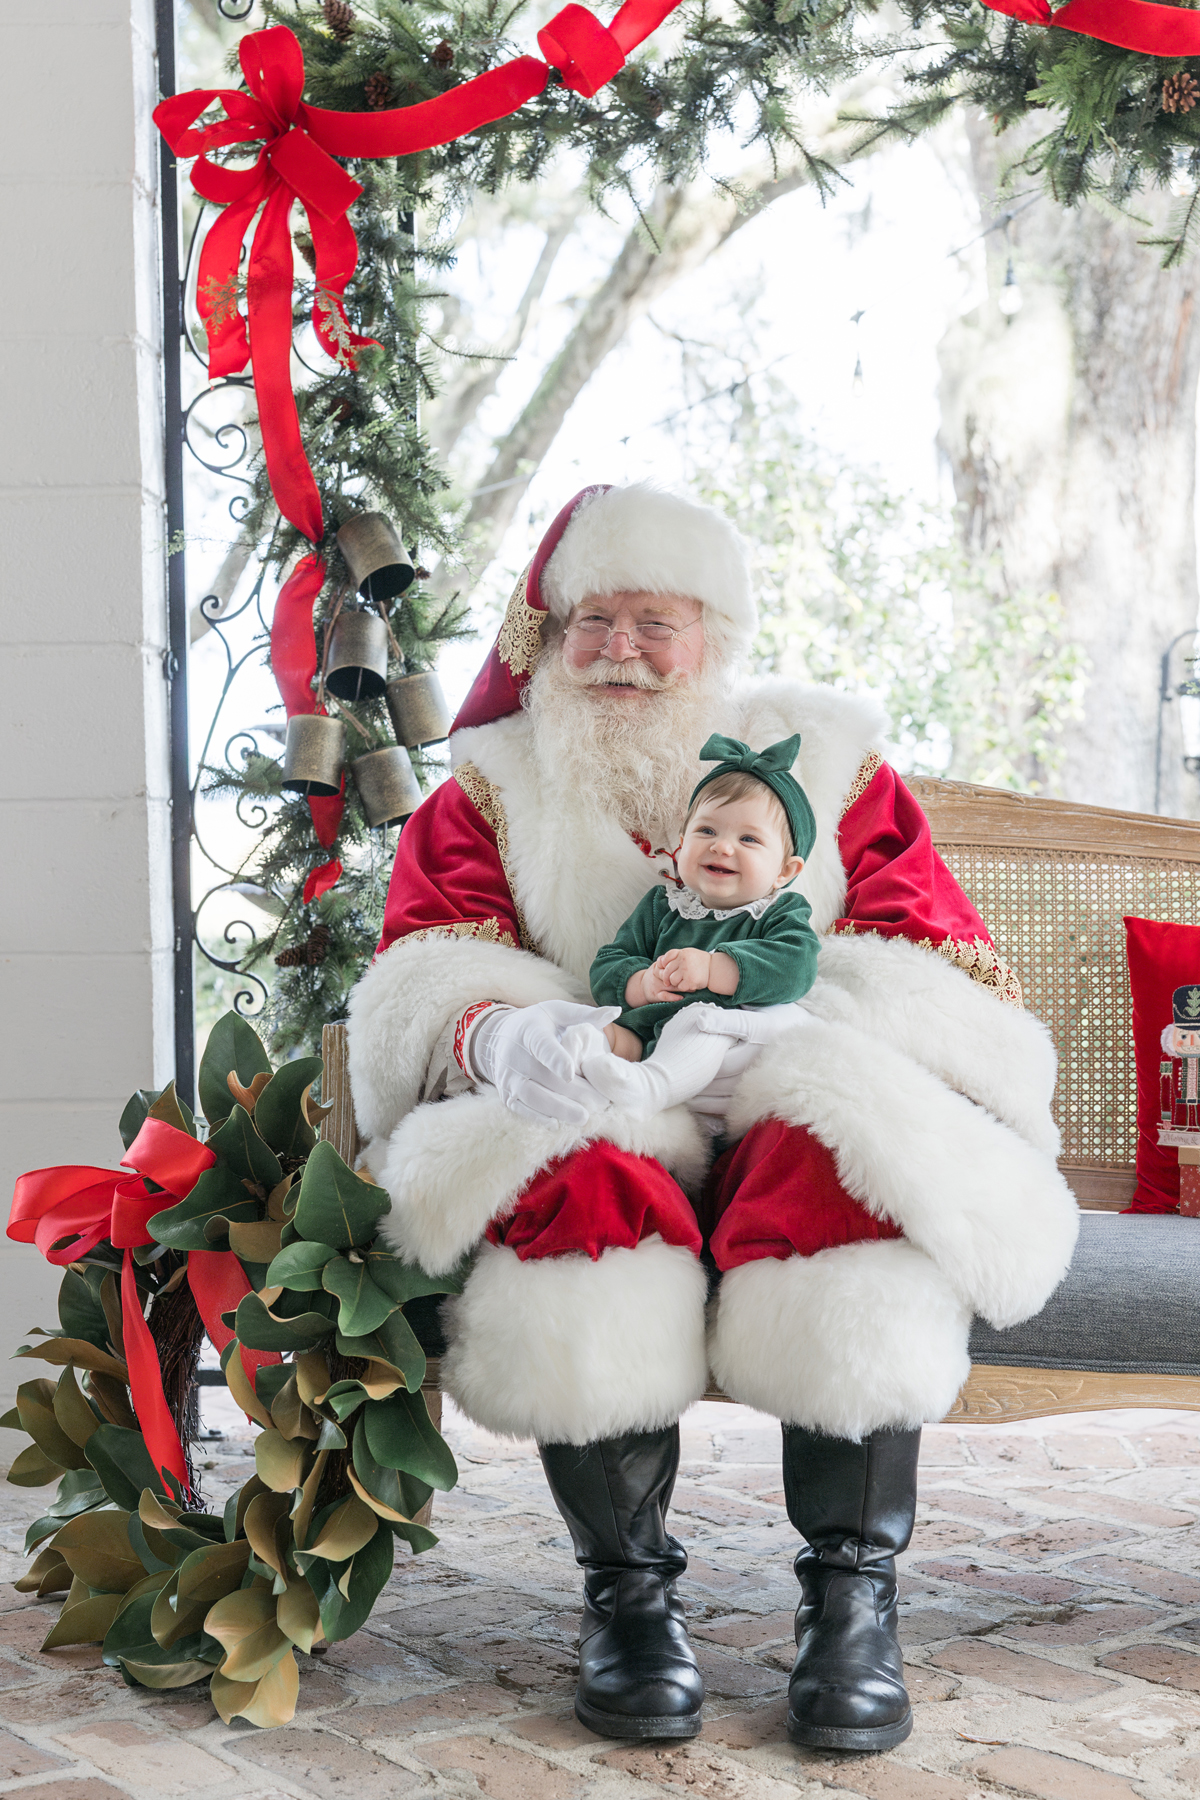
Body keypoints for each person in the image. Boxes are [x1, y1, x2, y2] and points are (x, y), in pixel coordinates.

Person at [346, 482, 1078, 1752]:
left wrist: (788, 1028)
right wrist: (507, 1030)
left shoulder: (828, 766)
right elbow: (423, 959)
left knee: (848, 1150)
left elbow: (942, 963)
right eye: (592, 620)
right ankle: (628, 1594)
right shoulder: (493, 787)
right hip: (609, 1101)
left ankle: (853, 1596)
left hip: (777, 1097)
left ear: (716, 637)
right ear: (547, 637)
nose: (619, 650)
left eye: (655, 621)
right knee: (577, 1175)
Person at [577, 732, 820, 1121]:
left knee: (698, 1024)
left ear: (784, 871)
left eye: (748, 839)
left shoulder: (779, 912)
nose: (722, 847)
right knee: (587, 1032)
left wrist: (712, 968)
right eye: (707, 831)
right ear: (681, 843)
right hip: (643, 1038)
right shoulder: (663, 906)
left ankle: (650, 1089)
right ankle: (582, 1076)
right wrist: (642, 984)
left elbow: (797, 966)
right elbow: (608, 963)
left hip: (723, 1050)